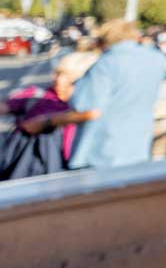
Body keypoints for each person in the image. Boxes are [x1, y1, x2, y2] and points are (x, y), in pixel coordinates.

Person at [49, 19, 166, 170]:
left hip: (100, 153)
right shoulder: (155, 58)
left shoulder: (106, 64)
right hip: (138, 148)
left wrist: (47, 122)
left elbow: (88, 110)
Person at [2, 51, 100, 179]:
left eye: (70, 79)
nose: (59, 82)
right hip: (29, 174)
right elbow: (5, 106)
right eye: (58, 74)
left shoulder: (88, 109)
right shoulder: (35, 96)